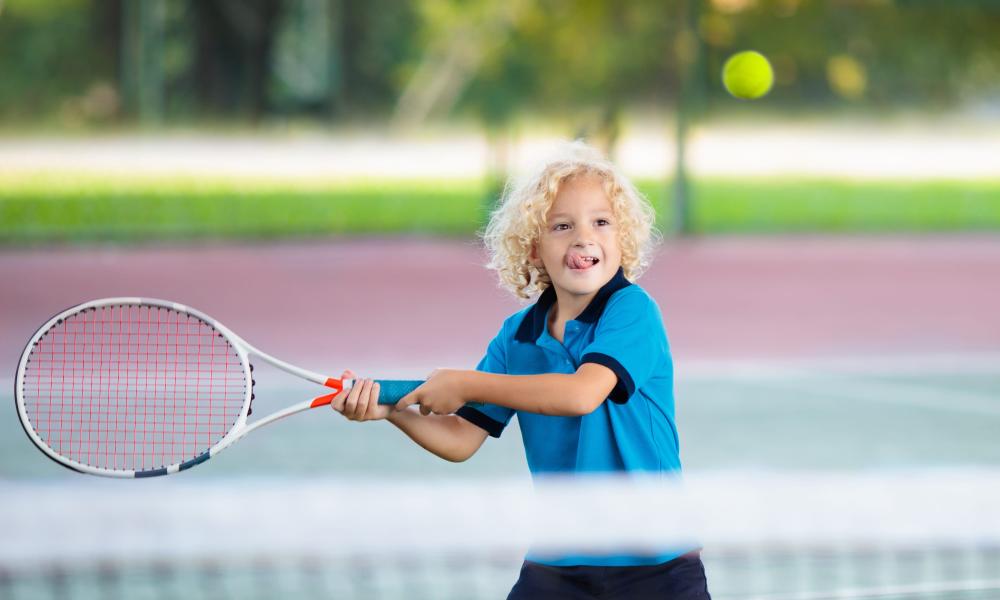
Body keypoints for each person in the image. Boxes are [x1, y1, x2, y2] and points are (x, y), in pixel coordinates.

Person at [331, 140, 710, 599]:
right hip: (560, 559)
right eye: (562, 226)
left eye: (602, 222)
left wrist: (466, 382)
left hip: (656, 562)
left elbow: (580, 394)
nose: (583, 237)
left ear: (622, 239)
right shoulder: (516, 338)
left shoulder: (633, 311)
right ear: (533, 249)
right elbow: (459, 439)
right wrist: (392, 411)